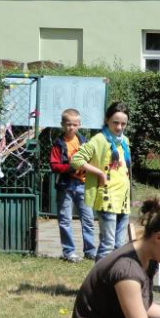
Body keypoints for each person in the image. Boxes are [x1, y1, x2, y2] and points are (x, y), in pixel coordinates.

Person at [71, 102, 132, 261]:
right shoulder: (98, 139)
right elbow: (76, 160)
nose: (119, 127)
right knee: (108, 244)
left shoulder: (124, 141)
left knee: (120, 245)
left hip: (123, 199)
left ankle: (114, 281)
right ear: (107, 120)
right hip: (107, 198)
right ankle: (98, 283)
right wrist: (99, 173)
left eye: (123, 124)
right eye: (115, 122)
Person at [49, 108, 96, 263]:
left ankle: (90, 251)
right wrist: (70, 168)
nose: (71, 127)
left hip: (83, 185)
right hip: (65, 186)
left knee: (88, 219)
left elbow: (92, 159)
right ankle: (69, 252)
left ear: (79, 125)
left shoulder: (84, 142)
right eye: (68, 124)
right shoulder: (58, 144)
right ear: (62, 125)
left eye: (75, 124)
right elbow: (54, 165)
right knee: (65, 220)